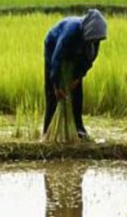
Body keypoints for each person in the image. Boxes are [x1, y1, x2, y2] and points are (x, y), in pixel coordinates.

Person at [43, 9, 107, 139]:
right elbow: (57, 58)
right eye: (93, 39)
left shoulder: (95, 40)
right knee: (52, 96)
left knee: (77, 94)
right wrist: (56, 85)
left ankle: (78, 128)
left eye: (97, 39)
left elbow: (89, 60)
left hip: (76, 55)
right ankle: (48, 131)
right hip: (53, 47)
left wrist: (78, 77)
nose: (95, 41)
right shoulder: (71, 32)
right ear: (87, 31)